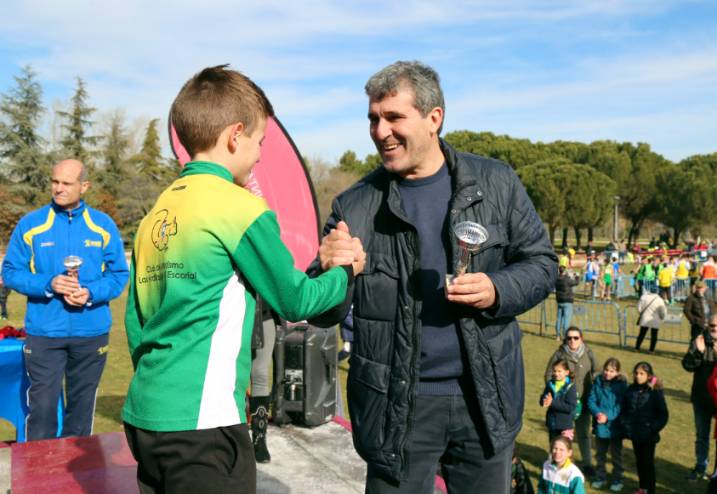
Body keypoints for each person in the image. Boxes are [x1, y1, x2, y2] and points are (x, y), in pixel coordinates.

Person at [309, 60, 558, 493]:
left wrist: (497, 289)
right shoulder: (354, 205)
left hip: (484, 399)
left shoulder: (497, 183)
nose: (380, 131)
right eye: (373, 119)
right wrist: (331, 272)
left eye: (393, 117)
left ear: (434, 118)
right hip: (394, 407)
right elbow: (321, 310)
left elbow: (542, 264)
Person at [121, 65, 365, 493]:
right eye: (259, 142)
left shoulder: (157, 212)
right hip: (204, 422)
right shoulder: (239, 207)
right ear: (235, 135)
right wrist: (345, 272)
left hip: (145, 414)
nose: (259, 155)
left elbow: (135, 322)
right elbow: (296, 300)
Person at [1, 158, 129, 440]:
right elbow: (10, 272)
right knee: (42, 412)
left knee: (81, 415)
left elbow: (119, 275)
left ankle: (76, 469)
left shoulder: (102, 225)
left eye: (67, 183)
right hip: (45, 333)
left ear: (84, 186)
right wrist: (48, 284)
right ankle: (40, 469)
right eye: (55, 181)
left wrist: (90, 293)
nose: (58, 188)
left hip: (91, 333)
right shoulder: (32, 224)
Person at [544, 327, 598, 477]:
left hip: (584, 401)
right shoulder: (560, 354)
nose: (572, 341)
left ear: (581, 338)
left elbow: (597, 371)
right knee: (560, 436)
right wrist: (554, 394)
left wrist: (595, 390)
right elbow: (549, 374)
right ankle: (556, 463)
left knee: (583, 434)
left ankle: (587, 464)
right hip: (563, 404)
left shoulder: (588, 353)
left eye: (576, 337)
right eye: (569, 338)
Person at [620, 361, 668, 494]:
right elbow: (625, 409)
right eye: (636, 373)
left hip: (648, 435)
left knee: (648, 463)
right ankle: (642, 488)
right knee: (639, 462)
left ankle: (650, 490)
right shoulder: (631, 390)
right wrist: (626, 424)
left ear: (649, 376)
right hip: (635, 433)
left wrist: (652, 428)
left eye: (642, 374)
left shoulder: (655, 392)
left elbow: (663, 415)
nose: (638, 376)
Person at [682, 313, 717, 482]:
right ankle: (701, 466)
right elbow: (687, 365)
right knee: (702, 435)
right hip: (701, 398)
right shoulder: (699, 340)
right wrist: (698, 352)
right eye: (711, 325)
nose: (714, 328)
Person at [587, 357, 627, 492]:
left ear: (617, 372)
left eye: (612, 371)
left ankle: (618, 479)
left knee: (616, 455)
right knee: (600, 454)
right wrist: (597, 413)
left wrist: (607, 416)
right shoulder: (597, 382)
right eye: (606, 370)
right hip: (600, 424)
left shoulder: (622, 386)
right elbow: (591, 400)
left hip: (615, 426)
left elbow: (620, 405)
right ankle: (600, 477)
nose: (608, 373)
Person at [540, 359, 577, 442]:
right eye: (554, 371)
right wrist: (544, 400)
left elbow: (570, 407)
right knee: (553, 446)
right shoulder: (550, 384)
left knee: (563, 447)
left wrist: (552, 403)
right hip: (552, 423)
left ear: (567, 372)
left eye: (559, 371)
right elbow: (544, 397)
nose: (556, 374)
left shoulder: (571, 387)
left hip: (565, 426)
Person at [555, 265, 579, 340]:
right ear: (564, 271)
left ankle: (558, 335)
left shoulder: (556, 279)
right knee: (566, 319)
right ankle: (565, 335)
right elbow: (576, 283)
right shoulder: (567, 279)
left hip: (559, 300)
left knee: (559, 318)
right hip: (567, 300)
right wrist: (577, 276)